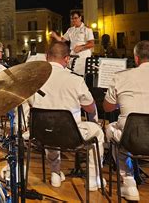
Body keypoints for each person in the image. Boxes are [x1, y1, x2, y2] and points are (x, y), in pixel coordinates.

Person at [29, 41, 104, 191]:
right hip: (71, 136)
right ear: (67, 59)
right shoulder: (75, 79)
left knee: (50, 126)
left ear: (46, 57)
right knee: (98, 133)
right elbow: (89, 107)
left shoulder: (35, 79)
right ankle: (93, 179)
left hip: (42, 134)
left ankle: (55, 173)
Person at [103, 40, 149, 201]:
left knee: (111, 129)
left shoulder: (122, 77)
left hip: (132, 138)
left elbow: (107, 108)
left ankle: (128, 182)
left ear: (136, 58)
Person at [50, 10, 94, 75]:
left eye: (75, 18)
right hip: (72, 57)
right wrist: (55, 35)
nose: (74, 20)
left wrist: (81, 47)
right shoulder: (70, 30)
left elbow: (92, 44)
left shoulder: (87, 29)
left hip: (82, 58)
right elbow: (62, 40)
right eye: (72, 19)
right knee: (72, 75)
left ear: (80, 18)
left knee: (81, 76)